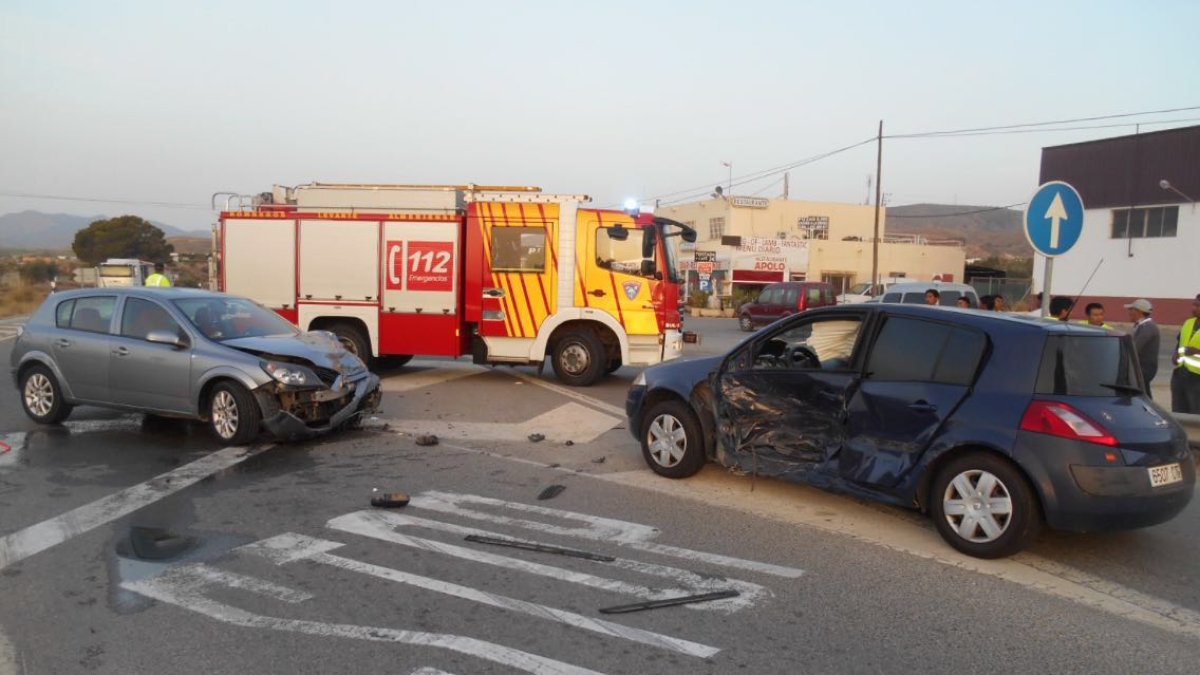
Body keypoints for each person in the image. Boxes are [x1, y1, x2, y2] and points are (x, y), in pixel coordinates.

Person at [1171, 294, 1200, 413]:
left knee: (1195, 415)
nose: (1194, 308)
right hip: (1180, 374)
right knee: (1179, 414)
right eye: (1194, 304)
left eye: (1198, 305)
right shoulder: (1188, 323)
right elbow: (1180, 342)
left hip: (1197, 378)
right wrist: (1175, 354)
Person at [1126, 298, 1160, 396]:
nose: (1129, 312)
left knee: (1142, 396)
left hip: (1143, 369)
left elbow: (1134, 348)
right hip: (1141, 368)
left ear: (1138, 312)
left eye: (1131, 310)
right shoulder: (1140, 326)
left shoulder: (1148, 327)